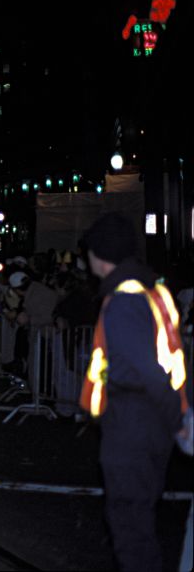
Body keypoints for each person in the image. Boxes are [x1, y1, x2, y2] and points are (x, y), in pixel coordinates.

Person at [78, 212, 191, 572]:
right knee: (140, 516)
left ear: (100, 254)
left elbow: (145, 370)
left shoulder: (124, 300)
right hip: (149, 422)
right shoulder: (151, 290)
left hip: (132, 422)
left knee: (131, 528)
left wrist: (180, 420)